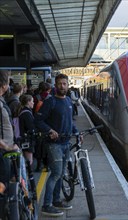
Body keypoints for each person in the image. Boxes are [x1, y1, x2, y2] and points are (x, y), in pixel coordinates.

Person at [35, 74, 79, 217]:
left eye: (64, 84)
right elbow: (38, 120)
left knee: (60, 175)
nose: (62, 86)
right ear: (55, 85)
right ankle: (46, 205)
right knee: (55, 174)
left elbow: (70, 122)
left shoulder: (67, 101)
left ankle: (56, 200)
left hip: (66, 143)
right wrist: (50, 130)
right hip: (53, 144)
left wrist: (77, 133)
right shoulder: (50, 101)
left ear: (68, 84)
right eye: (59, 84)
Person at [0, 70, 19, 218]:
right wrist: (7, 146)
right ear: (5, 85)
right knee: (3, 186)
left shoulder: (2, 102)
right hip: (2, 152)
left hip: (6, 151)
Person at [19, 94, 36, 165]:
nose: (33, 103)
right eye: (32, 101)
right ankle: (28, 175)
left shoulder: (23, 111)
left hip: (24, 139)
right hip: (27, 140)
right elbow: (31, 127)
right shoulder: (27, 114)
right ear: (28, 102)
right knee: (29, 161)